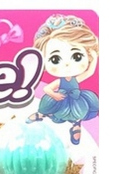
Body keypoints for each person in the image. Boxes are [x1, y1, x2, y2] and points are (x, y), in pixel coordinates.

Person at [27, 14, 99, 145]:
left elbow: (90, 72)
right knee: (50, 108)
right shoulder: (60, 81)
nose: (66, 64)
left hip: (76, 99)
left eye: (76, 57)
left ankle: (76, 125)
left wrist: (94, 58)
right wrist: (54, 95)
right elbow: (46, 88)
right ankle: (41, 114)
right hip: (60, 98)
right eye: (55, 59)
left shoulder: (76, 78)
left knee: (78, 112)